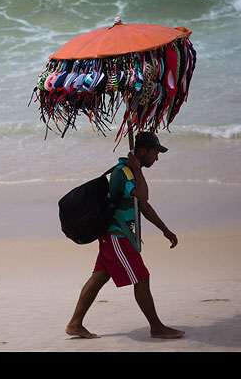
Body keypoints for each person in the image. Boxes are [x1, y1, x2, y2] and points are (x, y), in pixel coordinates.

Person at [65, 132, 184, 340]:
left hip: (115, 235)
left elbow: (143, 205)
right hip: (116, 236)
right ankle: (156, 326)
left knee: (99, 277)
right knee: (142, 277)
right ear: (143, 151)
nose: (157, 158)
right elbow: (143, 195)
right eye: (155, 153)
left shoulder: (132, 171)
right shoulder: (125, 172)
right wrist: (138, 169)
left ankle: (75, 324)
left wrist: (165, 229)